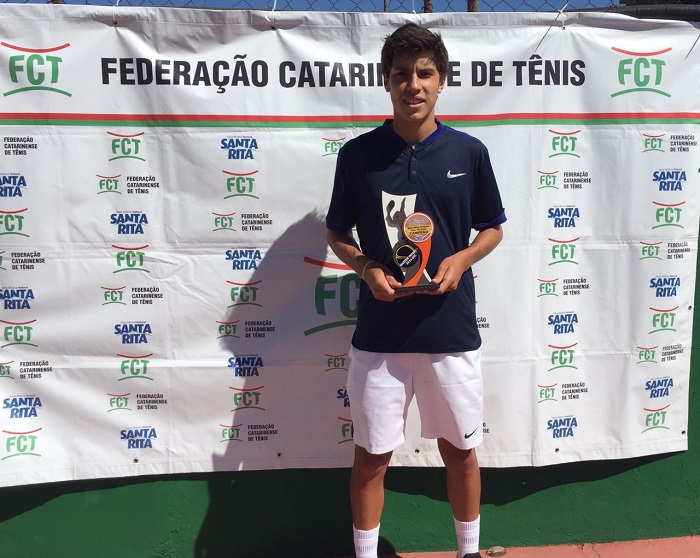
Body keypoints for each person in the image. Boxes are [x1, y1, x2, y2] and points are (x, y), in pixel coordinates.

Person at [325, 22, 506, 558]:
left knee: (461, 451)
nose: (413, 85)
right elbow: (337, 233)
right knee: (372, 456)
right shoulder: (358, 156)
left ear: (442, 80)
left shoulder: (469, 153)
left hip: (450, 329)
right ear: (386, 81)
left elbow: (493, 226)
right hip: (381, 336)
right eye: (401, 74)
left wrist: (461, 258)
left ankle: (468, 552)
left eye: (424, 73)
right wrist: (365, 269)